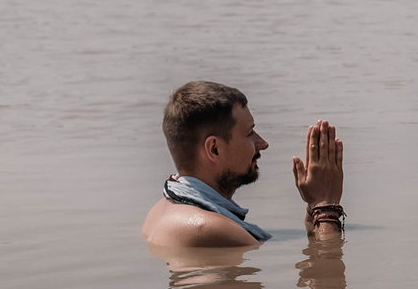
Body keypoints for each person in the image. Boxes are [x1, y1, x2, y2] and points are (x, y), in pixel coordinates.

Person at [142, 80, 344, 248]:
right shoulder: (205, 228)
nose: (262, 143)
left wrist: (315, 206)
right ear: (214, 149)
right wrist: (326, 205)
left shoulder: (162, 208)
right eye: (249, 134)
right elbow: (325, 263)